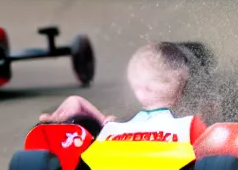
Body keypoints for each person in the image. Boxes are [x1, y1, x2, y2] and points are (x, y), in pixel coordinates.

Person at [39, 41, 208, 144]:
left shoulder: (189, 126)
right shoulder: (120, 126)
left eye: (161, 80)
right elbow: (105, 123)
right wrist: (77, 103)